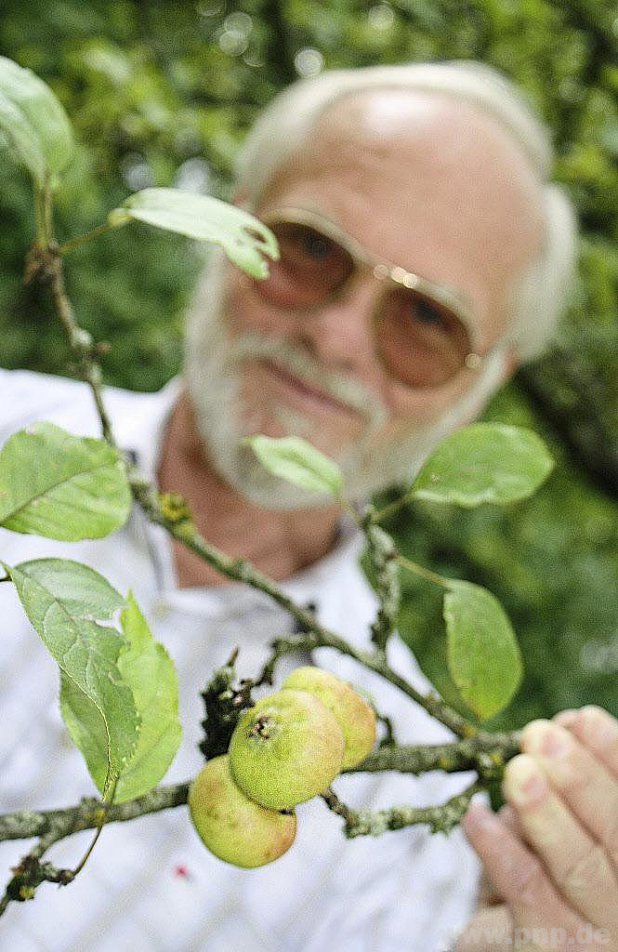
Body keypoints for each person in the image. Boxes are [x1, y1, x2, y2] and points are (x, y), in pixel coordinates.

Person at [0, 60, 615, 952]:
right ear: (230, 220)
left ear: (486, 384)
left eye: (426, 321)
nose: (334, 335)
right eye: (312, 247)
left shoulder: (404, 821)